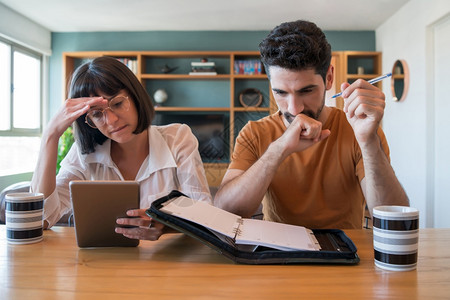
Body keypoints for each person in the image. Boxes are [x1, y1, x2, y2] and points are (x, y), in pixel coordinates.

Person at [214, 20, 409, 229]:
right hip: (278, 252)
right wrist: (279, 150)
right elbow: (224, 213)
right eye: (280, 92)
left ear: (329, 78)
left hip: (347, 253)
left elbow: (395, 218)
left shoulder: (360, 129)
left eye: (306, 91)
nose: (294, 108)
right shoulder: (254, 133)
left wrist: (368, 141)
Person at [31, 56, 211, 240]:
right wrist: (50, 136)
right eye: (97, 114)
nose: (111, 120)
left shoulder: (177, 139)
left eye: (117, 103)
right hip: (102, 263)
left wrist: (165, 227)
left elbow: (204, 215)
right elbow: (40, 219)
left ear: (135, 95)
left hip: (165, 263)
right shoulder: (84, 153)